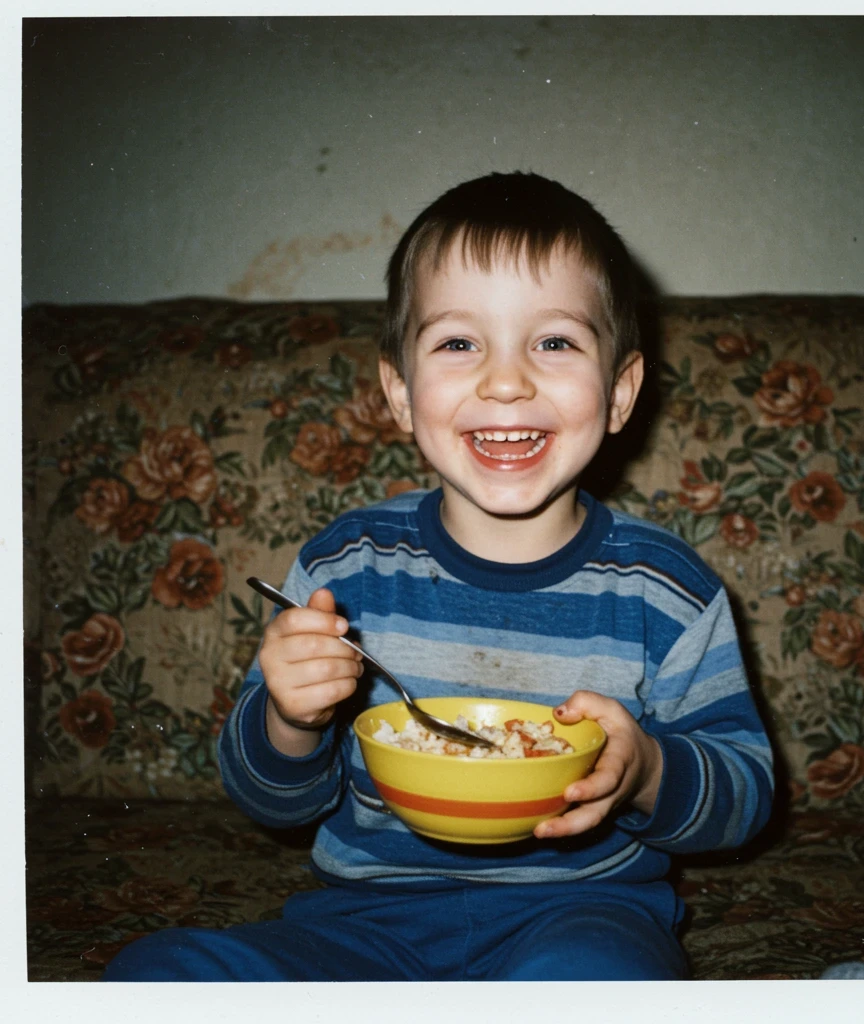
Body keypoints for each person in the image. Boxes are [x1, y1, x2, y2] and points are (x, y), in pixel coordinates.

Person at [105, 171, 774, 982]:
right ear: (398, 390)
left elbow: (746, 795)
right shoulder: (343, 566)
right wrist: (290, 718)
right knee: (159, 974)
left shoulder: (667, 589)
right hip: (362, 929)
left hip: (581, 921)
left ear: (621, 391)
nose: (504, 380)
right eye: (459, 343)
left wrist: (647, 773)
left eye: (554, 341)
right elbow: (271, 802)